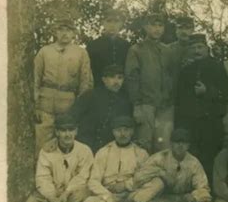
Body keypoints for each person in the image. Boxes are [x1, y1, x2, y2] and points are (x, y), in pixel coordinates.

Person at [83, 116, 162, 202]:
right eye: (118, 130)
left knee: (158, 183)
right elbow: (93, 181)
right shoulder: (103, 152)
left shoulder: (140, 153)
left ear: (132, 132)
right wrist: (108, 197)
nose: (122, 134)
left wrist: (128, 186)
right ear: (113, 132)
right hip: (110, 196)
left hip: (131, 195)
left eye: (126, 130)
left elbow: (145, 178)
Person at [140, 129, 212, 202]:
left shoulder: (194, 162)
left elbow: (203, 187)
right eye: (177, 142)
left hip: (184, 201)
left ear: (188, 145)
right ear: (171, 144)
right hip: (163, 200)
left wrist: (194, 196)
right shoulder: (158, 158)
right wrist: (159, 175)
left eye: (184, 143)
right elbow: (141, 179)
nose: (180, 145)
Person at [175, 34, 228, 179]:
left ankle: (209, 191)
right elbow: (179, 98)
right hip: (191, 123)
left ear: (207, 48)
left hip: (211, 122)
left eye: (200, 47)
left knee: (210, 158)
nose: (196, 50)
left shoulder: (217, 67)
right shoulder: (186, 70)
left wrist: (207, 92)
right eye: (193, 47)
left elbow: (226, 94)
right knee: (191, 158)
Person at [34, 19, 93, 153]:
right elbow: (35, 79)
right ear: (55, 32)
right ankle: (42, 171)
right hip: (46, 102)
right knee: (42, 141)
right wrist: (36, 105)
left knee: (65, 141)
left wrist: (79, 107)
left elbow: (85, 82)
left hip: (68, 103)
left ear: (74, 33)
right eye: (61, 30)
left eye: (69, 30)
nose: (65, 33)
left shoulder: (81, 53)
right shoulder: (45, 51)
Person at [26, 114, 93, 202]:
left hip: (72, 195)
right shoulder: (47, 151)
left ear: (76, 131)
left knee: (86, 193)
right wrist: (52, 197)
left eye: (71, 130)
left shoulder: (84, 150)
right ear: (57, 132)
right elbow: (43, 178)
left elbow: (82, 177)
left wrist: (66, 193)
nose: (67, 134)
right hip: (53, 197)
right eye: (63, 130)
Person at [125, 13, 176, 153]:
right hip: (145, 104)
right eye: (153, 25)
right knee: (143, 145)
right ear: (146, 27)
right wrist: (137, 105)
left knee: (164, 146)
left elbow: (173, 77)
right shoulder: (136, 49)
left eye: (160, 25)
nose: (157, 29)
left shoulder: (168, 51)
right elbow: (132, 78)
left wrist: (169, 98)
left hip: (165, 107)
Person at [69, 64, 132, 153]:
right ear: (104, 79)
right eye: (112, 77)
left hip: (107, 149)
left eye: (120, 78)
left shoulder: (124, 103)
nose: (116, 81)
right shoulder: (90, 96)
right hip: (84, 145)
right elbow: (72, 117)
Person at [86, 9, 130, 87]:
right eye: (108, 21)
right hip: (99, 88)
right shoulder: (93, 46)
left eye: (116, 21)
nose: (112, 25)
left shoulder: (127, 46)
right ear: (103, 23)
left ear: (121, 24)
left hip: (121, 90)